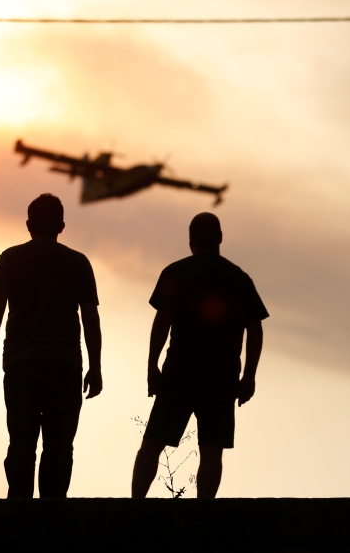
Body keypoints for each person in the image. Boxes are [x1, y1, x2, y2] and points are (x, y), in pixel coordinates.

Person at [131, 212, 268, 499]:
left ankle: (135, 506)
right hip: (221, 375)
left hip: (180, 370)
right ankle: (203, 514)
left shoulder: (176, 272)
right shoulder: (239, 278)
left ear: (191, 240)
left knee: (152, 443)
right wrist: (249, 376)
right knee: (211, 450)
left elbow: (162, 321)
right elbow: (255, 328)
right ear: (219, 238)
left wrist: (151, 366)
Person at [0, 193, 103, 498]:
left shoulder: (10, 258)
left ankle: (19, 509)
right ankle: (53, 511)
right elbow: (90, 318)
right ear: (62, 225)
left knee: (22, 441)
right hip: (65, 365)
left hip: (22, 363)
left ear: (28, 225)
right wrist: (96, 366)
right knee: (59, 444)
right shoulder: (78, 262)